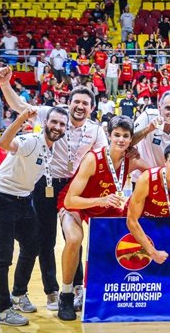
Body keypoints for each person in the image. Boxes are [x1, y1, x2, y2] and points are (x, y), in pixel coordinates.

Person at [0, 66, 108, 312]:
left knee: (73, 238)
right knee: (45, 240)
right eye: (76, 101)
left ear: (92, 108)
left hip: (73, 188)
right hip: (44, 183)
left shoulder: (97, 130)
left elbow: (105, 158)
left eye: (85, 103)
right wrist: (5, 84)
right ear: (69, 103)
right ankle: (51, 292)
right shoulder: (51, 115)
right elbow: (19, 107)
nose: (80, 106)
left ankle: (77, 286)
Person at [0, 106, 67, 326]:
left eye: (61, 124)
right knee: (3, 256)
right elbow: (3, 144)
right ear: (46, 123)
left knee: (33, 247)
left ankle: (18, 294)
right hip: (0, 198)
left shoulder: (50, 150)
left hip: (22, 200)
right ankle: (3, 310)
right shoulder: (32, 141)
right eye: (54, 122)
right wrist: (21, 118)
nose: (57, 127)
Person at [58, 117, 147, 320]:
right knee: (74, 239)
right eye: (117, 135)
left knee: (127, 234)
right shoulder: (93, 159)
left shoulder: (130, 159)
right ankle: (66, 294)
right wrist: (103, 199)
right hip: (77, 204)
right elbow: (71, 200)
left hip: (105, 205)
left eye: (125, 136)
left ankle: (111, 290)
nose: (121, 139)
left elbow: (153, 172)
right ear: (109, 135)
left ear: (131, 139)